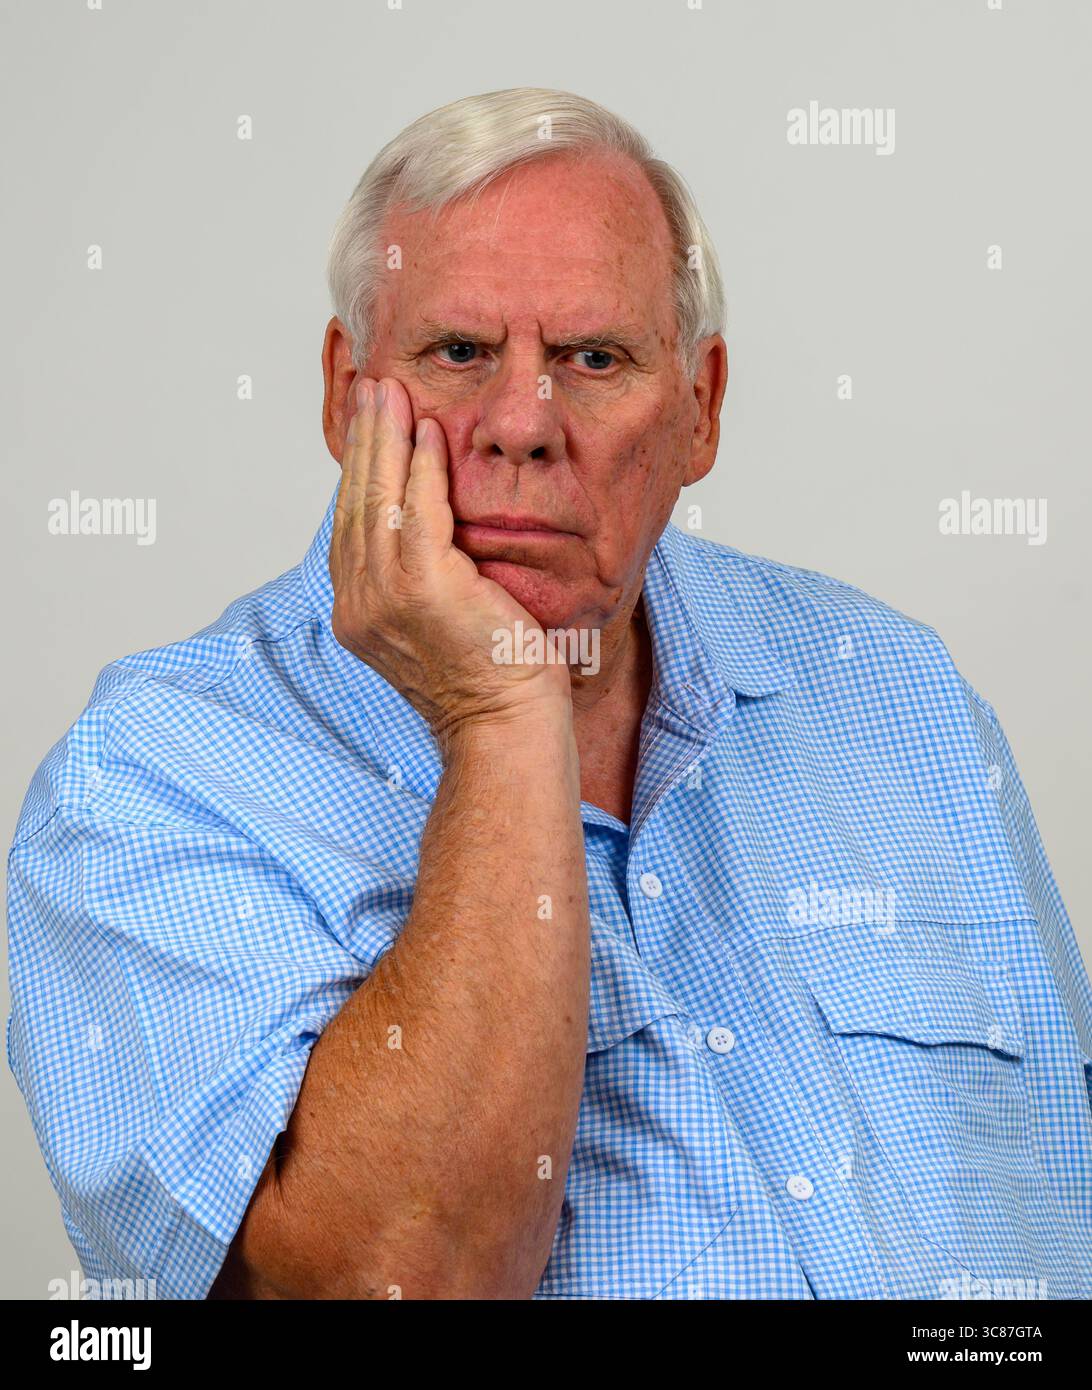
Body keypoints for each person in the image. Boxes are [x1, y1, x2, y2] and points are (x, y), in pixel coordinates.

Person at [8, 88, 1092, 1300]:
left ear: (700, 408)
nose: (522, 422)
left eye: (594, 358)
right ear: (341, 391)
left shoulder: (901, 697)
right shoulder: (148, 779)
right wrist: (502, 714)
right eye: (459, 353)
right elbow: (393, 1280)